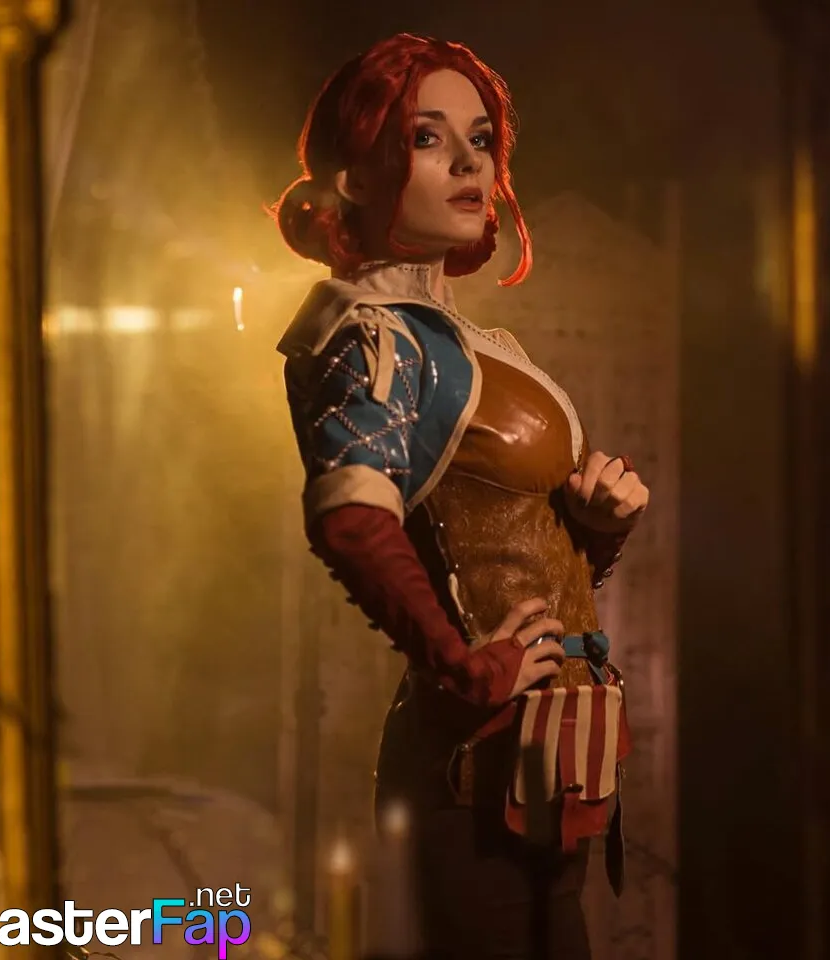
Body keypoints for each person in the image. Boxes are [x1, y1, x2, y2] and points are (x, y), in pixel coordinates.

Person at [274, 33, 649, 960]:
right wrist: (458, 665)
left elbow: (515, 550)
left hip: (552, 758)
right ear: (357, 175)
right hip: (470, 768)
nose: (468, 161)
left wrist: (592, 532)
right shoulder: (371, 336)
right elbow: (350, 519)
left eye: (479, 138)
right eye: (427, 138)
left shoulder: (471, 342)